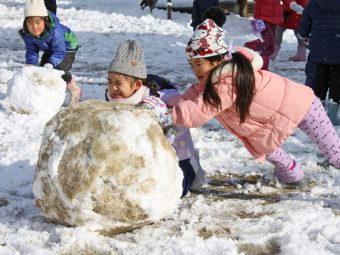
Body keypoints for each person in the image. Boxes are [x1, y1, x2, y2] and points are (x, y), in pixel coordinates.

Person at [140, 19, 340, 187]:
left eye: (198, 64)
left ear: (217, 60)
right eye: (191, 65)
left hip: (303, 105)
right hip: (270, 119)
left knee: (335, 154)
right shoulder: (213, 78)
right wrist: (165, 99)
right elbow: (190, 99)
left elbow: (200, 111)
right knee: (262, 142)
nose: (194, 70)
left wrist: (168, 116)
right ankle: (292, 175)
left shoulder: (229, 80)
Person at [105, 39, 206, 197]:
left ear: (137, 85)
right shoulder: (113, 98)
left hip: (175, 151)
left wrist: (164, 139)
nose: (113, 88)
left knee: (172, 192)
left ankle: (193, 168)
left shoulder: (158, 100)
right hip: (140, 151)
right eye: (110, 82)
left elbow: (180, 123)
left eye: (118, 83)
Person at [19, 0, 81, 104]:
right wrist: (30, 64)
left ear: (45, 20)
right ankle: (46, 96)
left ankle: (74, 88)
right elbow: (31, 51)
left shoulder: (56, 31)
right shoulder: (28, 34)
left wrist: (51, 63)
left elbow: (59, 52)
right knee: (43, 71)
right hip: (50, 48)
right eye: (30, 23)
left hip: (66, 47)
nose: (34, 27)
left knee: (58, 71)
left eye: (38, 22)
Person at [298, 0, 340, 125]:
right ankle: (332, 115)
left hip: (319, 51)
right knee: (337, 84)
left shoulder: (314, 4)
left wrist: (302, 35)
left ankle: (318, 114)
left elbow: (304, 27)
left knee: (319, 82)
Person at [244, 0, 283, 70]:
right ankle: (251, 47)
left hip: (275, 17)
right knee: (269, 44)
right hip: (261, 18)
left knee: (271, 46)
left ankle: (264, 67)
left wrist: (293, 4)